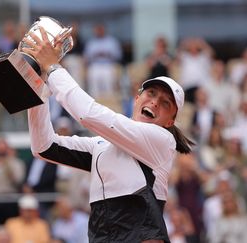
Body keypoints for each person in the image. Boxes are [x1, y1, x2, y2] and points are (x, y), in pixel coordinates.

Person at [22, 27, 193, 242]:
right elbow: (43, 147)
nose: (155, 102)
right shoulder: (102, 145)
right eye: (151, 93)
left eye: (165, 103)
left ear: (170, 121)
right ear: (137, 97)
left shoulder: (162, 140)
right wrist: (36, 89)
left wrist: (53, 67)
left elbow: (87, 114)